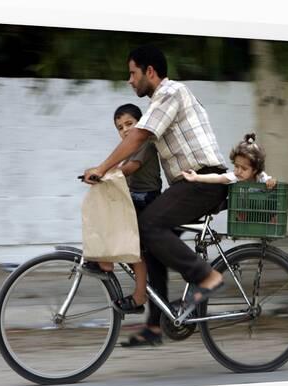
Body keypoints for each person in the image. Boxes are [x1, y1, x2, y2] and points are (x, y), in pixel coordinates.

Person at [83, 44, 228, 320]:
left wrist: (102, 168)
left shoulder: (171, 93)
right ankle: (164, 312)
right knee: (151, 242)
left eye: (133, 73)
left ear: (149, 71)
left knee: (148, 225)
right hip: (190, 185)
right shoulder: (159, 103)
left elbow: (137, 137)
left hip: (203, 182)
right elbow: (135, 141)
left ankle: (207, 277)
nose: (129, 80)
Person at [95, 104, 167, 345]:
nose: (125, 130)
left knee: (126, 239)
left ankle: (138, 294)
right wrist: (102, 173)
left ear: (141, 123)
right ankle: (108, 260)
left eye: (129, 124)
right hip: (136, 198)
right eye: (120, 128)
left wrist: (105, 174)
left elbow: (130, 168)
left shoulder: (144, 142)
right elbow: (118, 167)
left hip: (147, 200)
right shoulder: (128, 147)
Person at [181, 133, 277, 189]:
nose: (238, 171)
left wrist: (271, 182)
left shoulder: (260, 177)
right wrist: (196, 177)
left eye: (244, 168)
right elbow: (218, 178)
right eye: (236, 166)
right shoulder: (237, 177)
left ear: (255, 170)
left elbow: (270, 181)